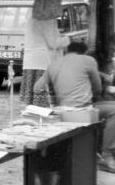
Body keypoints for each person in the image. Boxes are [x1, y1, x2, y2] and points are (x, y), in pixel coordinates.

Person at [34, 41, 115, 174]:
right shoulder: (88, 60)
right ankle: (105, 155)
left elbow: (37, 88)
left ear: (68, 51)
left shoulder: (53, 65)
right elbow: (98, 89)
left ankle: (103, 150)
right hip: (82, 111)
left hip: (62, 111)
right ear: (83, 52)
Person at [19, 16, 70, 107]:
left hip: (30, 61)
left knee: (31, 101)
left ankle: (34, 117)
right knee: (43, 100)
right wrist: (67, 40)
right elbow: (53, 43)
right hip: (42, 62)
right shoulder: (47, 19)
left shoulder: (31, 19)